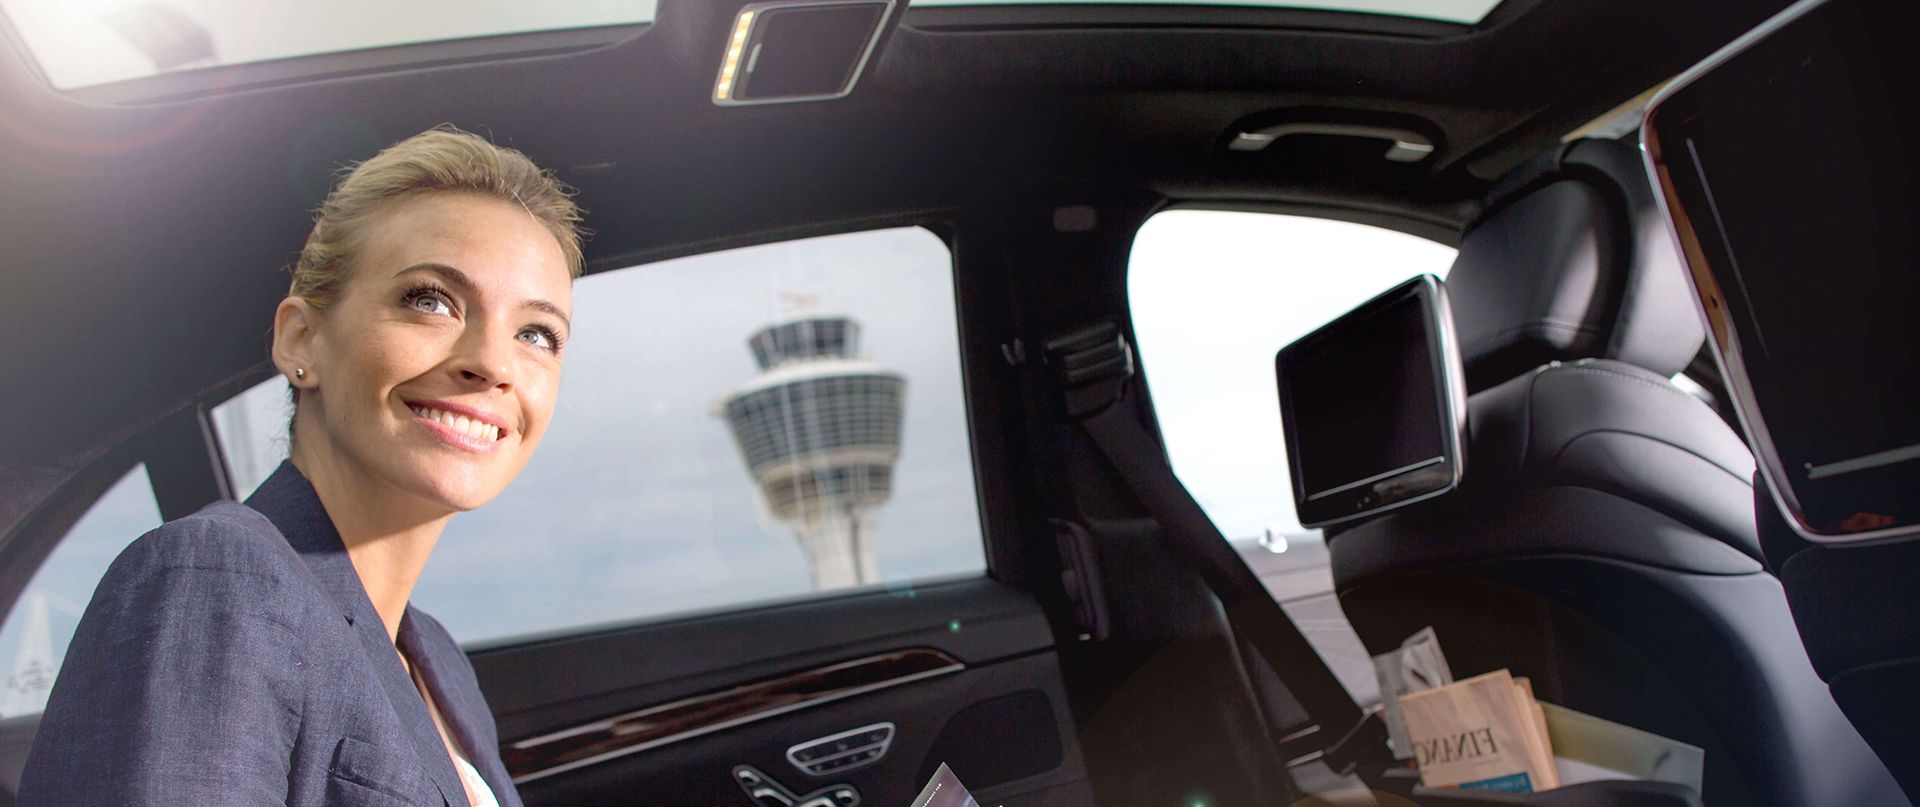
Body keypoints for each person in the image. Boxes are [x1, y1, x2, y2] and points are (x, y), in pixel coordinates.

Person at [18, 125, 586, 806]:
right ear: (301, 339)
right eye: (431, 299)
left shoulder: (438, 661)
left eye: (535, 333)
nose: (492, 362)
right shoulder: (214, 575)